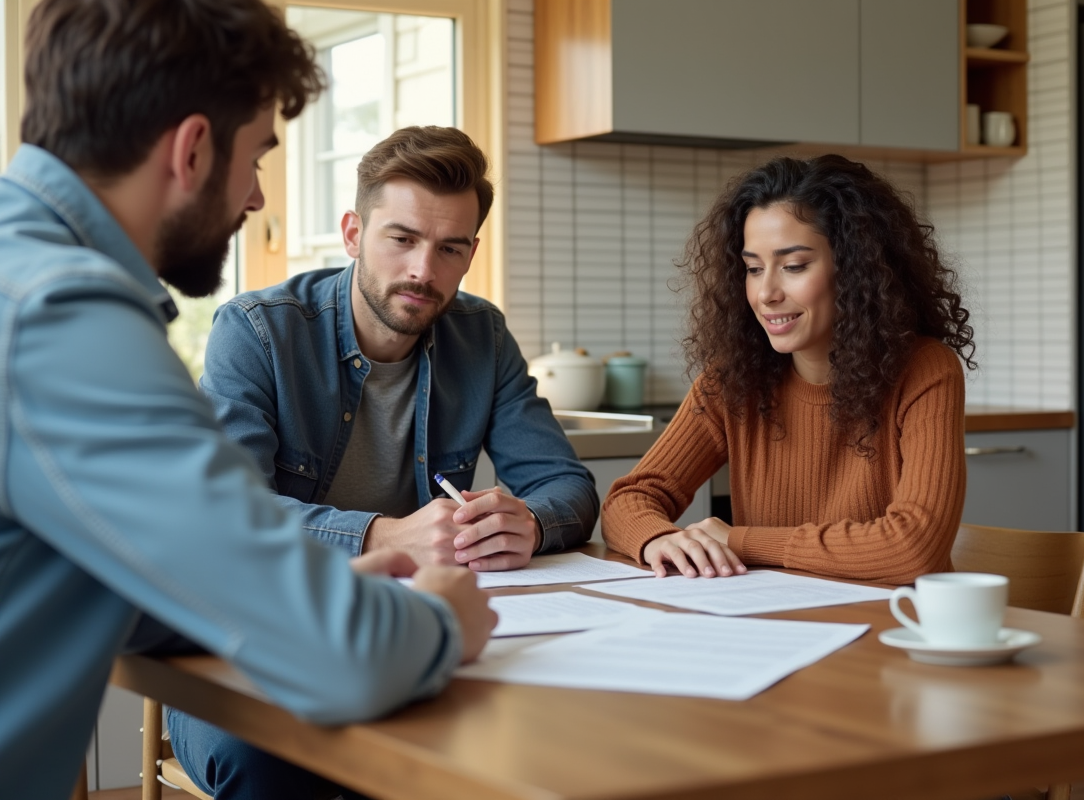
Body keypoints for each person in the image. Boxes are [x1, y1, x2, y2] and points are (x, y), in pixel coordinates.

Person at [0, 3, 495, 799]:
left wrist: (294, 586)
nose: (258, 199)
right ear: (193, 149)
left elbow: (126, 583)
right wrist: (438, 619)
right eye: (257, 157)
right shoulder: (61, 317)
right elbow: (344, 660)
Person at [167, 124, 598, 797]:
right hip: (251, 635)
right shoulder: (255, 331)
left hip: (410, 625)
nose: (424, 271)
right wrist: (382, 534)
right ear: (352, 233)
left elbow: (565, 485)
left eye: (449, 248)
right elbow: (230, 518)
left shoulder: (480, 335)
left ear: (470, 253)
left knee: (531, 740)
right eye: (402, 239)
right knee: (272, 758)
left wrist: (532, 524)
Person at [602, 155, 975, 584]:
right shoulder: (733, 380)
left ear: (856, 270)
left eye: (794, 266)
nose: (766, 293)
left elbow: (913, 548)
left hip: (891, 628)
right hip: (775, 627)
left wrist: (740, 541)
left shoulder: (925, 370)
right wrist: (658, 540)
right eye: (754, 269)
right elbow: (628, 500)